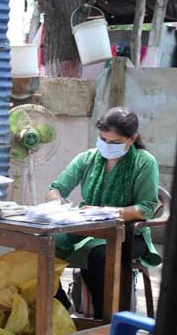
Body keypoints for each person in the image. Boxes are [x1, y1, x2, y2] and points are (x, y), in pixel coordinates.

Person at [47, 107, 161, 319]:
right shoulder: (88, 158)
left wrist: (106, 212)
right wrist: (62, 206)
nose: (107, 146)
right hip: (84, 226)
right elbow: (55, 189)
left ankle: (104, 320)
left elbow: (146, 208)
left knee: (99, 256)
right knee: (43, 245)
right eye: (103, 140)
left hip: (128, 233)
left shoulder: (144, 162)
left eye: (115, 142)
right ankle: (64, 308)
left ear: (132, 138)